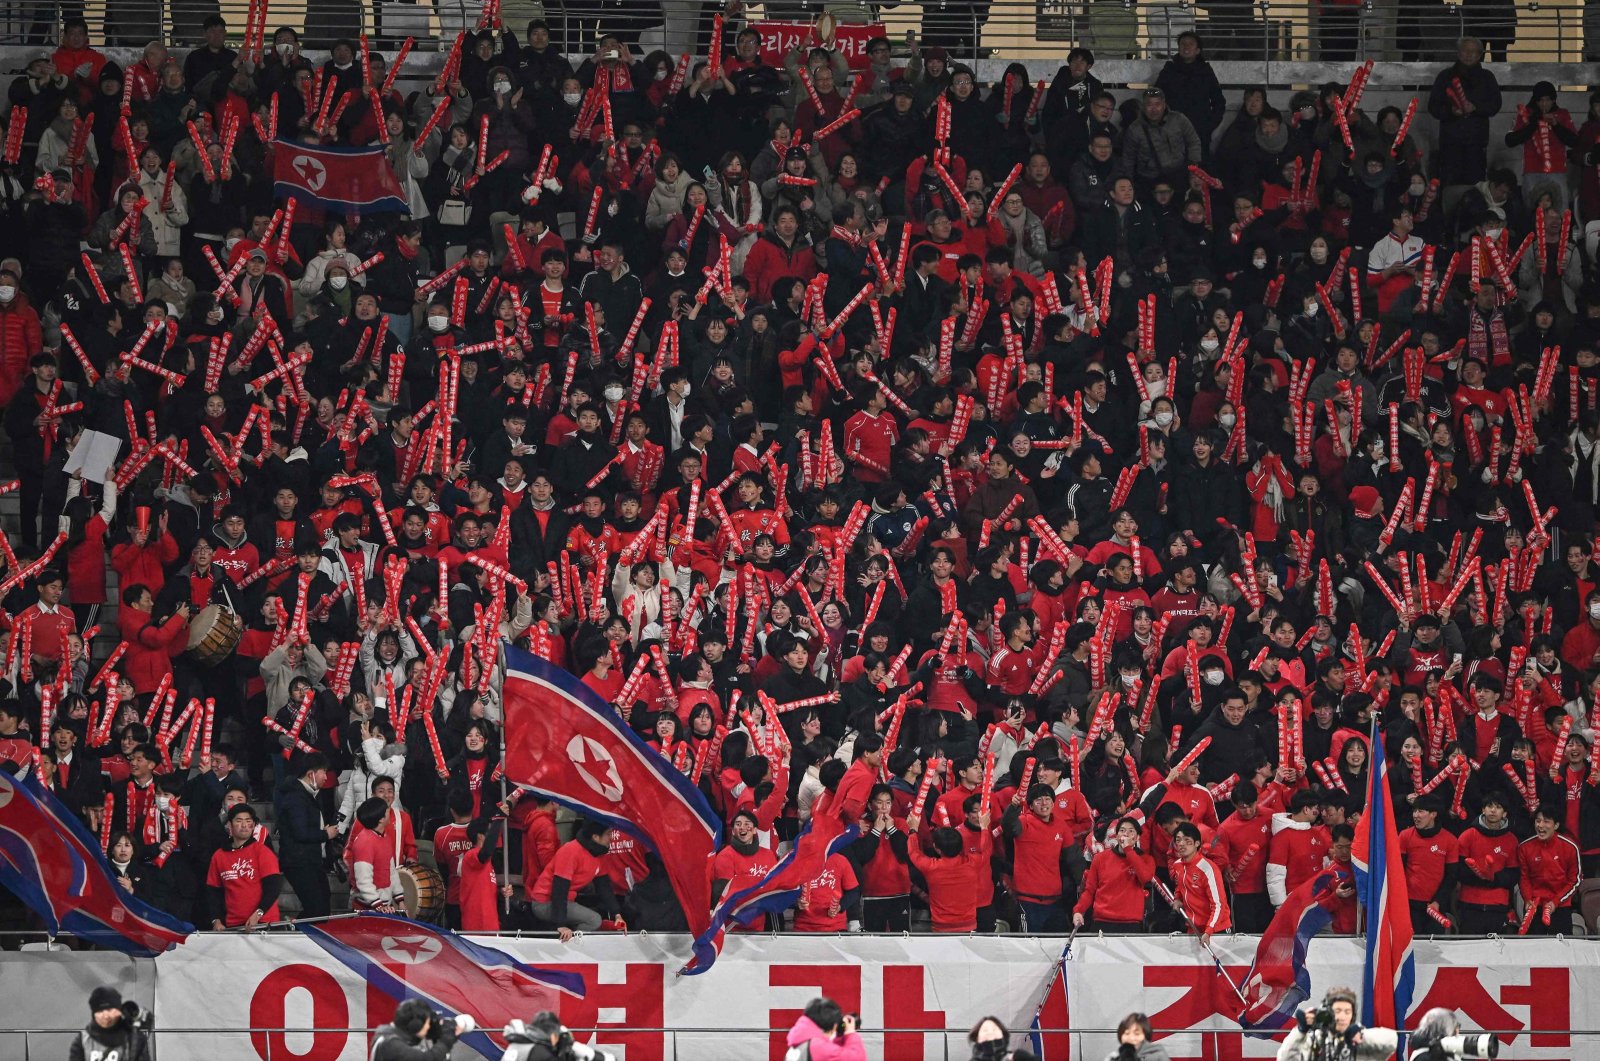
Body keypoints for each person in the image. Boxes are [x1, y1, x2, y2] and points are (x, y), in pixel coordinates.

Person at [1275, 987, 1399, 1061]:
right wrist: (1300, 1031)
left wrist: (1361, 1036)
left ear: (1352, 1015)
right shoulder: (1316, 1038)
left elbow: (1391, 1041)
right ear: (1329, 1012)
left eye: (1347, 1012)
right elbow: (1285, 1058)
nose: (1342, 1016)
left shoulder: (1360, 1038)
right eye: (1337, 1011)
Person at [370, 999, 474, 1061]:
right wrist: (446, 1040)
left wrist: (436, 1033)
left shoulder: (387, 1034)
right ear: (416, 1025)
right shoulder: (391, 1043)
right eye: (427, 1023)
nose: (428, 1027)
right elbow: (426, 1059)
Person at [70, 987, 150, 1061]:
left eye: (109, 1009)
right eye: (100, 1011)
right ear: (94, 1014)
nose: (106, 1016)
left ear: (119, 1011)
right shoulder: (83, 1040)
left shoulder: (134, 1038)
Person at [784, 997, 866, 1061]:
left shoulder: (801, 1041)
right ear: (833, 1026)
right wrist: (850, 1033)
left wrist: (839, 1037)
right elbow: (857, 1058)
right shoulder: (817, 1046)